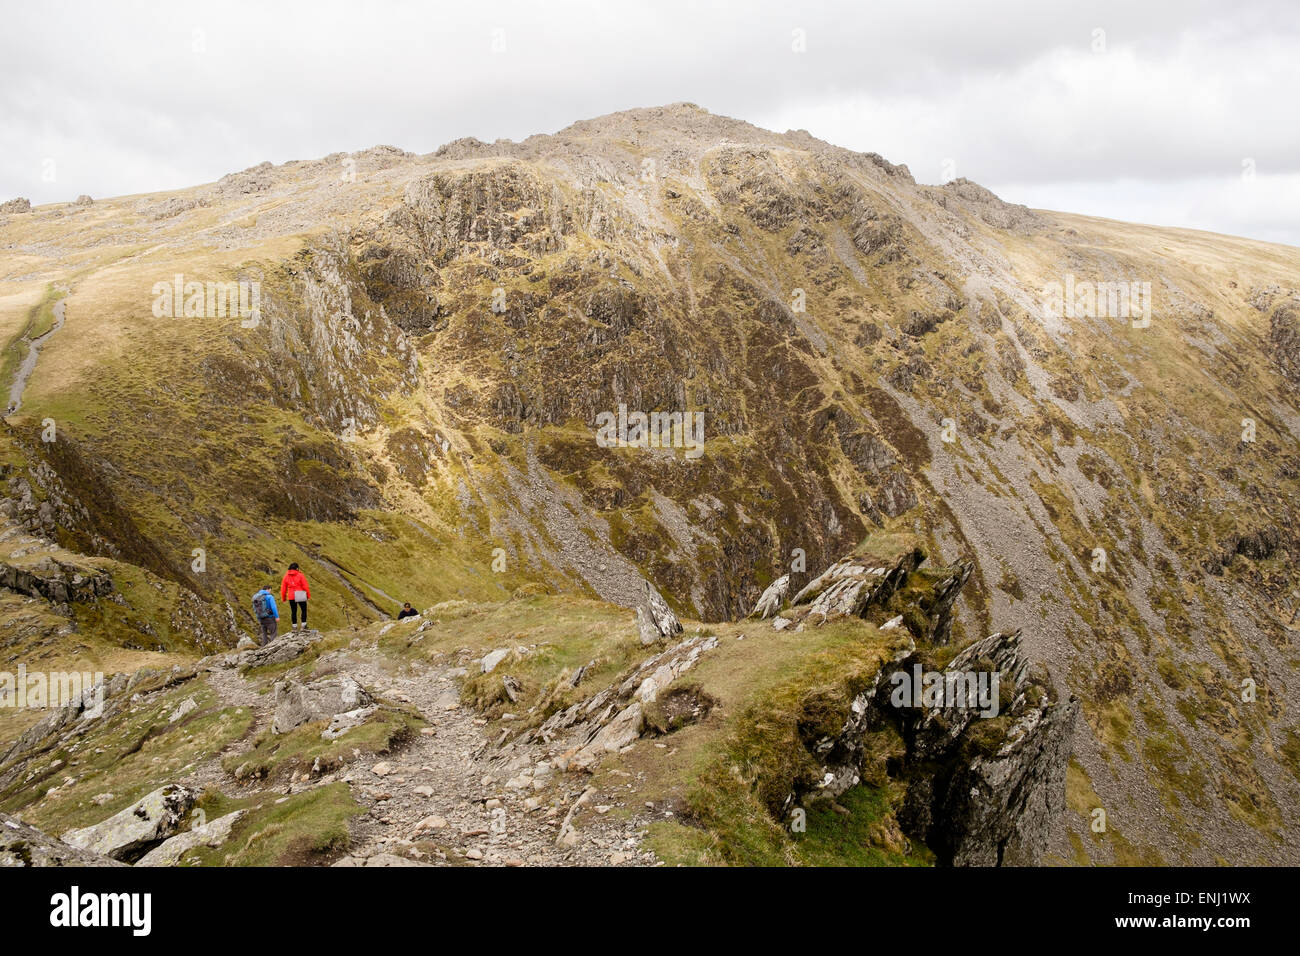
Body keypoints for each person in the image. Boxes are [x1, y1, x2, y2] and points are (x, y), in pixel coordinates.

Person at [280, 562, 311, 631]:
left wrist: (284, 598)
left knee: (293, 611)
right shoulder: (300, 575)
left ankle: (294, 627)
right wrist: (308, 595)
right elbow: (305, 586)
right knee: (304, 610)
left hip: (291, 595)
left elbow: (283, 588)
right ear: (297, 568)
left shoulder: (286, 576)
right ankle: (303, 626)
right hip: (300, 593)